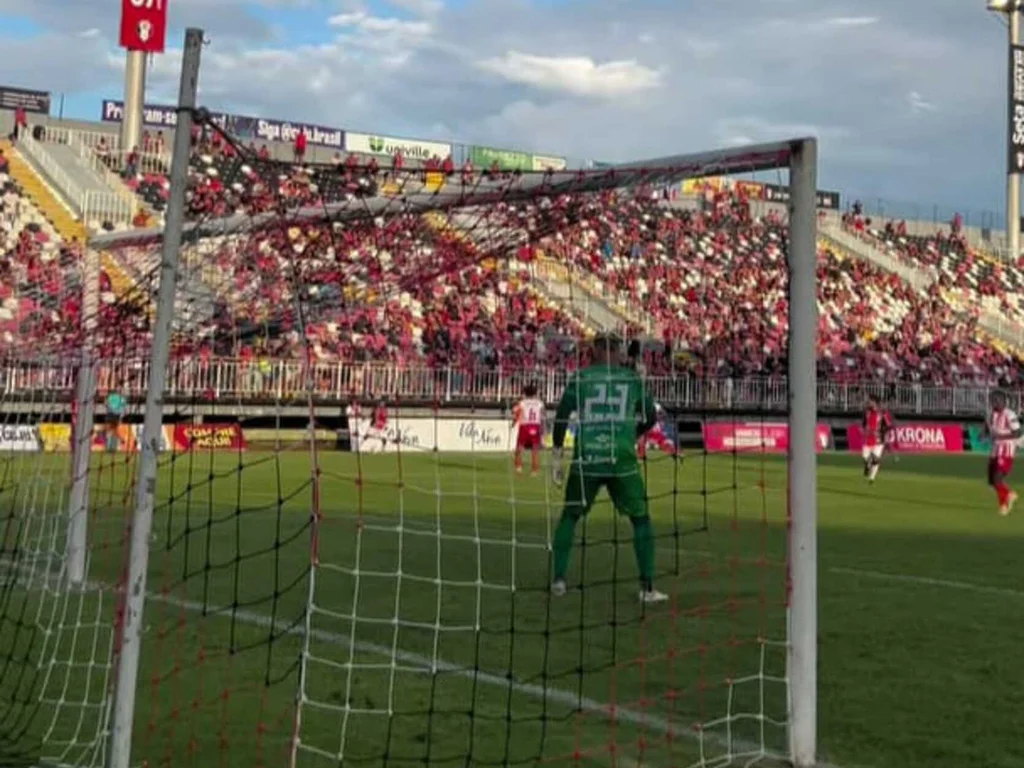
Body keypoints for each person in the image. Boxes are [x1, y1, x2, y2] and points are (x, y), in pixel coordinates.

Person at [549, 332, 668, 604]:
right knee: (641, 518)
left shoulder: (581, 378)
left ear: (593, 352)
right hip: (621, 459)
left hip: (587, 459)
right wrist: (633, 433)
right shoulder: (631, 379)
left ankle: (559, 580)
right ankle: (648, 587)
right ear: (618, 352)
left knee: (570, 515)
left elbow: (561, 416)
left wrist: (557, 453)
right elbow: (650, 416)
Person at [984, 390, 1021, 516]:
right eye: (992, 399)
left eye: (995, 399)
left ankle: (1005, 503)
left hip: (1006, 449)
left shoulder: (1009, 414)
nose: (993, 402)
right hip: (995, 449)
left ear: (1002, 401)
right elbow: (987, 427)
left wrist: (1000, 436)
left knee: (997, 478)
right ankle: (1007, 496)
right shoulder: (991, 414)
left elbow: (1018, 432)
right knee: (991, 481)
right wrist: (983, 434)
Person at [512, 384, 545, 475]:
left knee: (519, 447)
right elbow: (542, 415)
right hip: (536, 426)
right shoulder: (540, 403)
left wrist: (514, 422)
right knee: (535, 449)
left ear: (525, 393)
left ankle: (519, 467)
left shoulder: (522, 403)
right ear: (535, 393)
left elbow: (517, 413)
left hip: (525, 426)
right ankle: (534, 470)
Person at [861, 396, 892, 483]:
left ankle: (872, 478)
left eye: (871, 401)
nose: (869, 403)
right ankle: (867, 466)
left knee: (875, 459)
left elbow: (888, 425)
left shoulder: (882, 413)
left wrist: (882, 432)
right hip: (867, 438)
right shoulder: (867, 412)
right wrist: (865, 430)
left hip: (878, 439)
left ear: (875, 402)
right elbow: (863, 424)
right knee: (865, 457)